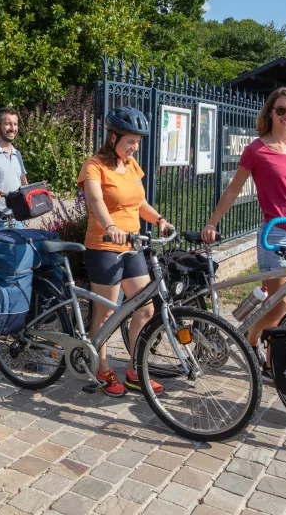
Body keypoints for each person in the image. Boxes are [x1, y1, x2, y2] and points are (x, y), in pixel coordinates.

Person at [201, 87, 286, 373]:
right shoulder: (256, 150)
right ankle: (252, 342)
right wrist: (213, 222)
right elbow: (233, 190)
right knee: (277, 304)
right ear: (270, 114)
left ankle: (264, 351)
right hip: (276, 235)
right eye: (281, 110)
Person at [77, 106, 172, 397]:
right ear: (113, 137)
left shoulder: (131, 166)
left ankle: (134, 371)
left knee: (145, 308)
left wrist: (160, 220)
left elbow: (138, 202)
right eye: (130, 140)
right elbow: (95, 200)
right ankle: (101, 367)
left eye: (138, 142)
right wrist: (109, 225)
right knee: (105, 313)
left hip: (132, 245)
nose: (135, 146)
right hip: (105, 245)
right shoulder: (94, 165)